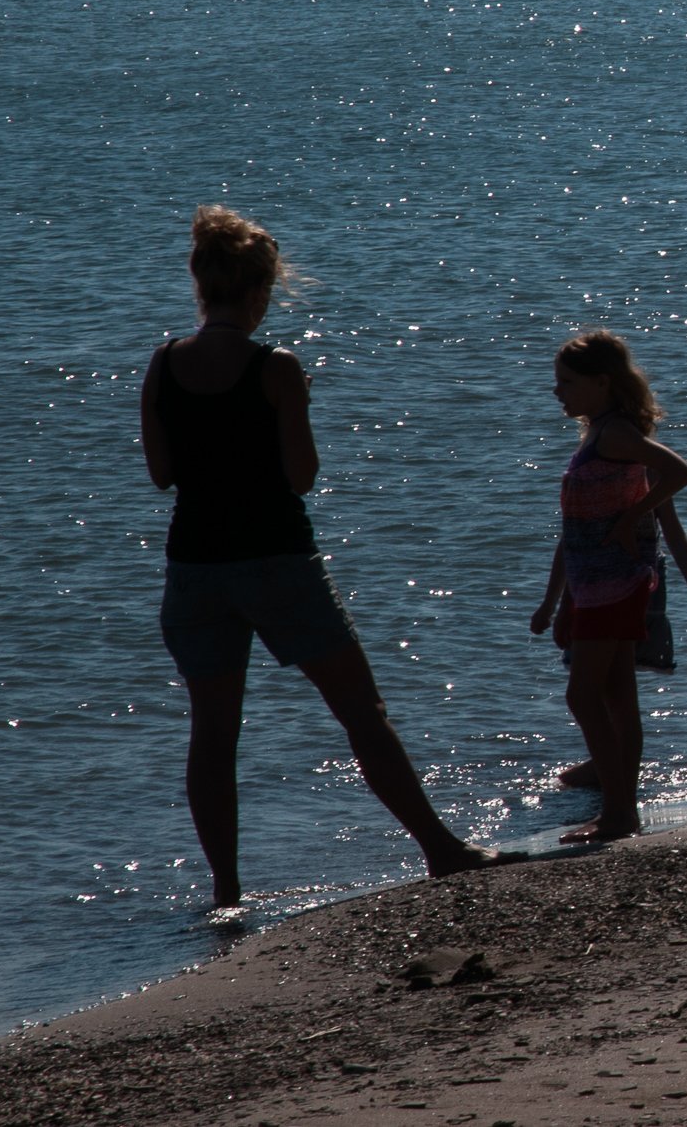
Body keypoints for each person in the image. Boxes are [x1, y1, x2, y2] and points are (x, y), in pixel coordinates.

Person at [142, 206, 497, 904]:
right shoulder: (275, 366)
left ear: (199, 285)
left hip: (194, 568)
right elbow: (301, 476)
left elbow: (161, 474)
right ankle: (440, 849)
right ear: (259, 292)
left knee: (212, 737)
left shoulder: (163, 364)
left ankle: (226, 891)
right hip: (276, 558)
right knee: (361, 713)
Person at [529, 331, 687, 843]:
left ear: (601, 383)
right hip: (594, 585)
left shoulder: (616, 435)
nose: (557, 392)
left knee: (583, 697)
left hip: (616, 585)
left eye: (567, 383)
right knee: (616, 698)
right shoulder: (597, 433)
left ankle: (619, 810)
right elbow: (575, 529)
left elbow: (679, 473)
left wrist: (632, 520)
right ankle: (620, 805)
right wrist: (553, 599)